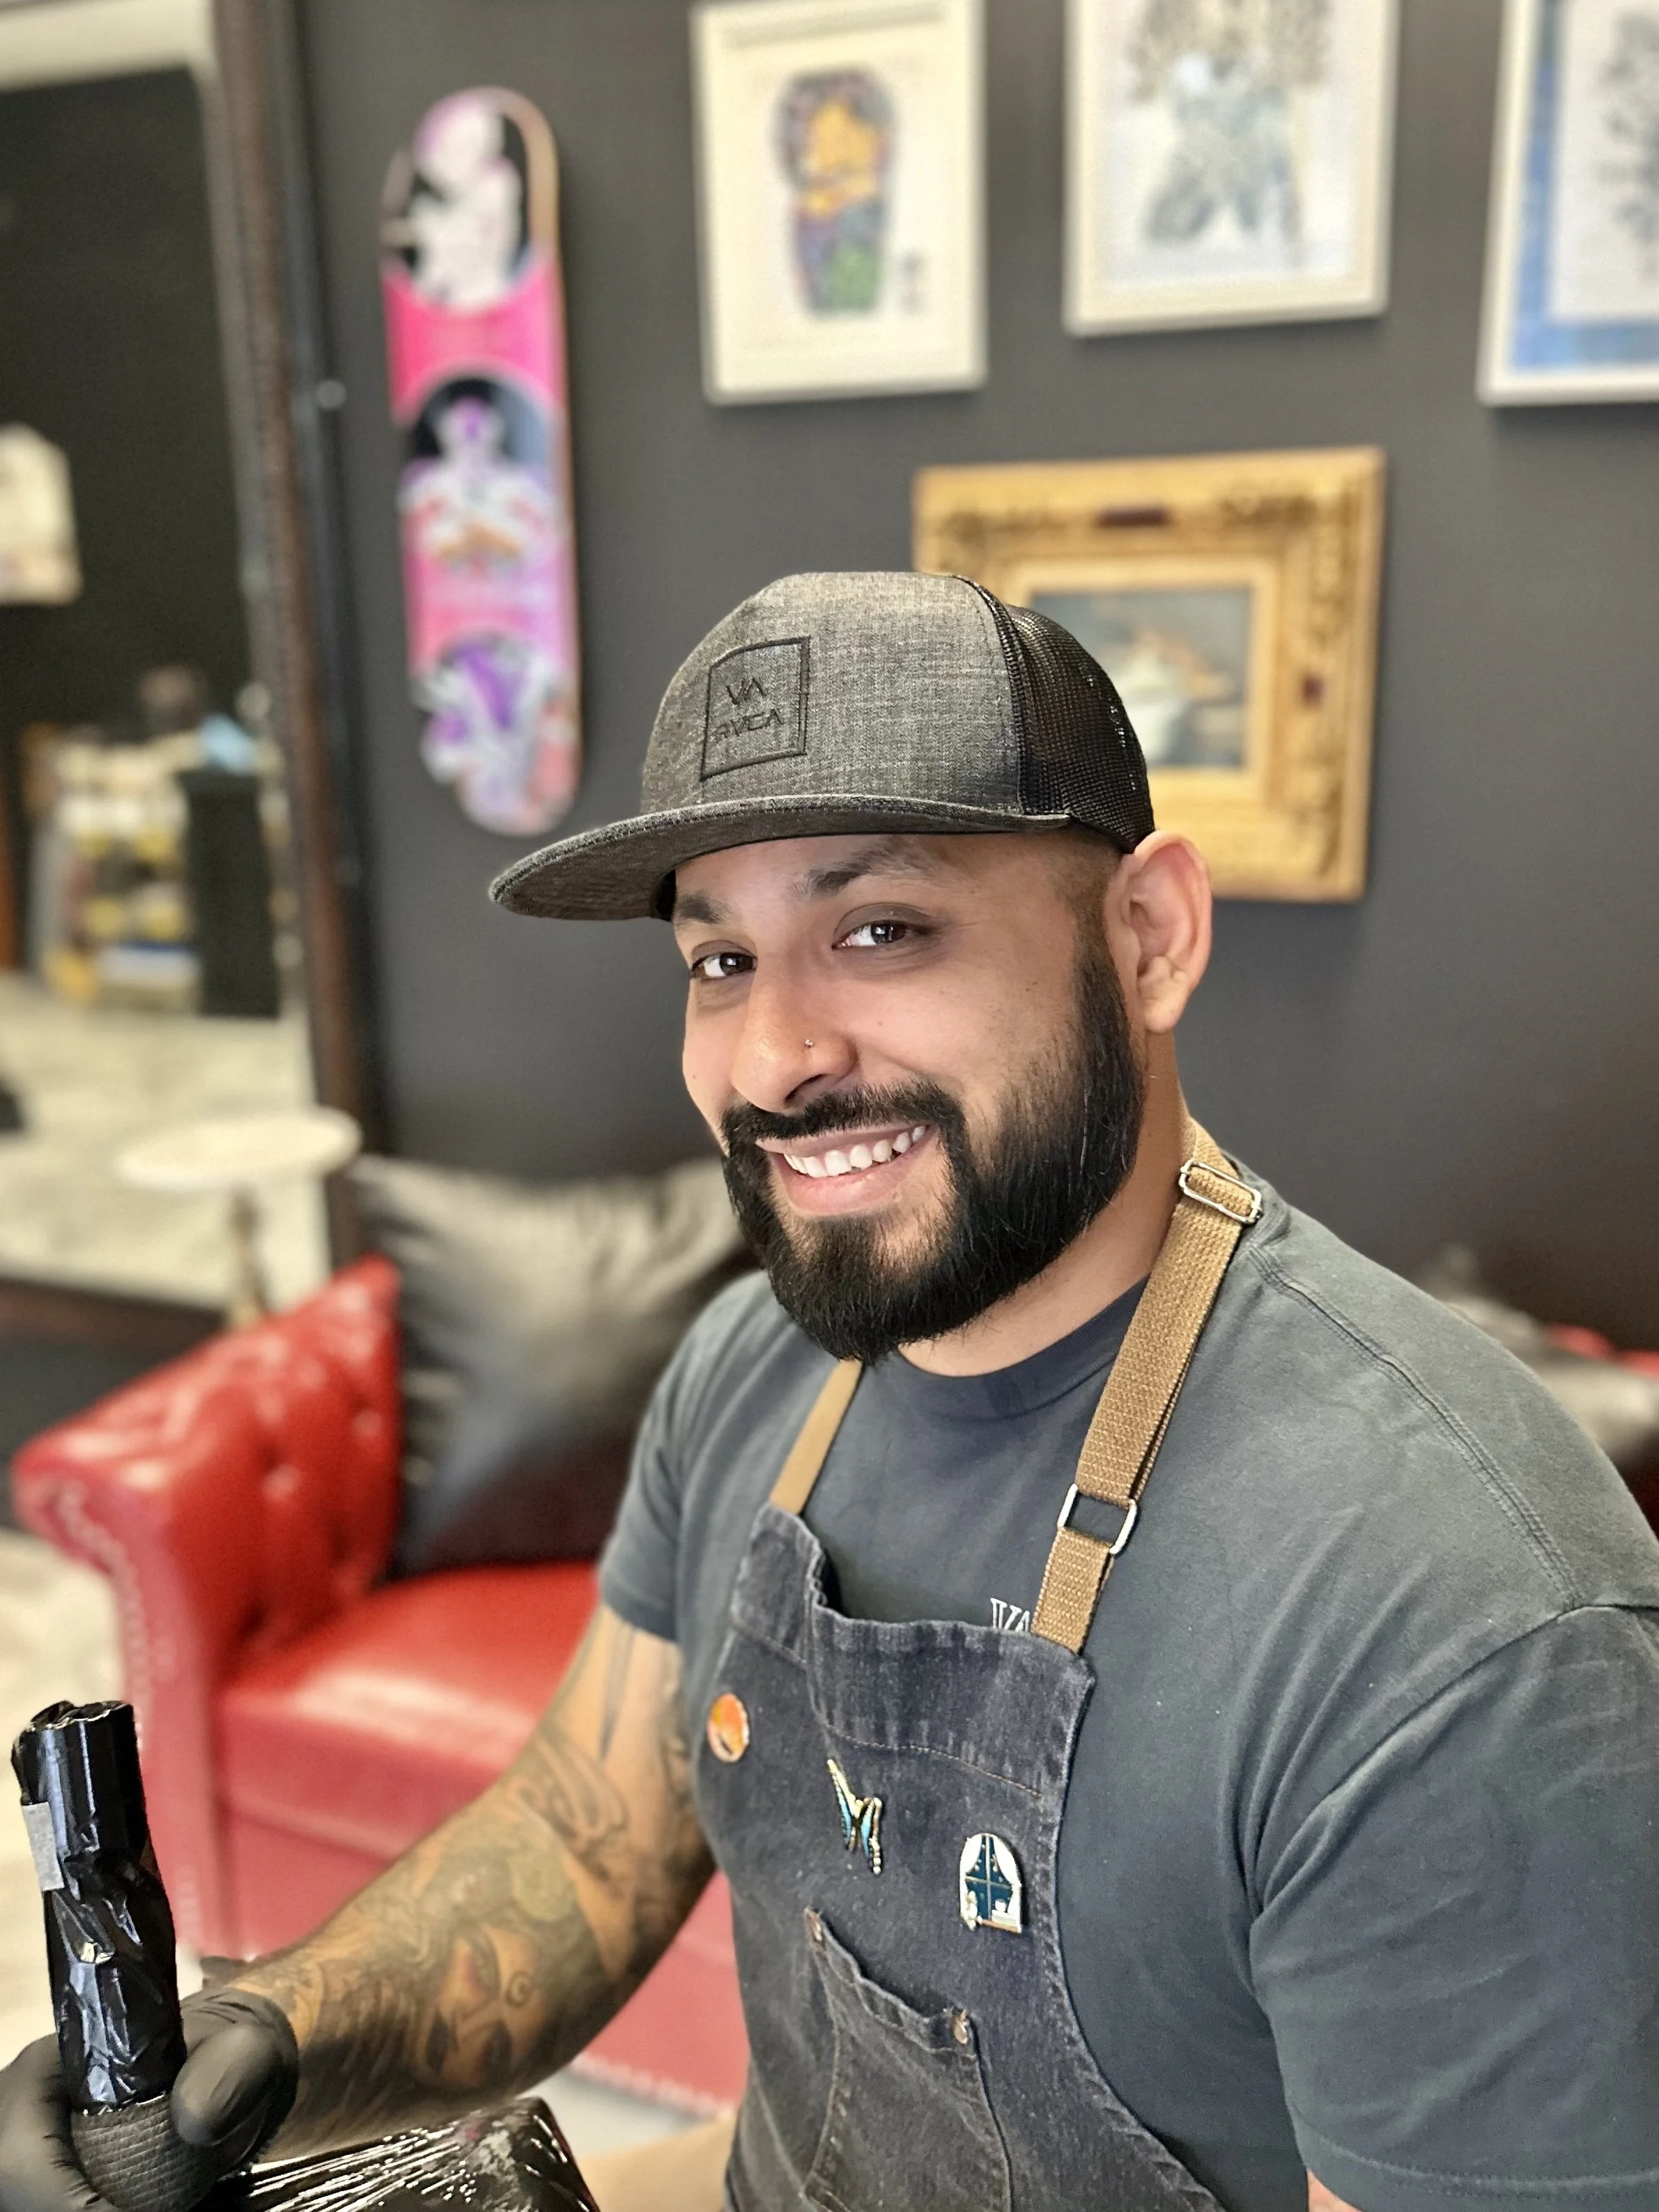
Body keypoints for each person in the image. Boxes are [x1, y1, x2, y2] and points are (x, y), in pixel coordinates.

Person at [5, 572, 1659, 2212]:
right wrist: (264, 2042)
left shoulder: (1457, 1626)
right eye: (720, 958)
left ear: (1147, 938)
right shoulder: (752, 1369)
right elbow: (581, 1843)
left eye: (879, 930)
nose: (770, 1056)